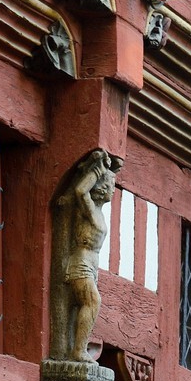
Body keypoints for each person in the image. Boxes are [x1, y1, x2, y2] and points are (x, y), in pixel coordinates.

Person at [53, 148, 121, 362]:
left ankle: (77, 348)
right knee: (93, 302)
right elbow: (81, 191)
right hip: (80, 263)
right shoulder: (90, 210)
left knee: (85, 304)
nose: (113, 191)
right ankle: (78, 350)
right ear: (102, 188)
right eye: (111, 186)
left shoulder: (99, 213)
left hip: (91, 265)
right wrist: (97, 172)